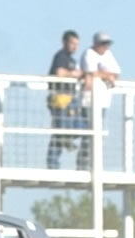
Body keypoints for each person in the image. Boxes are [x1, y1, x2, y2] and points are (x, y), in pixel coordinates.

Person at [79, 31, 121, 169]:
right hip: (88, 101)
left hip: (103, 101)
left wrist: (105, 75)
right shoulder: (89, 54)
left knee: (98, 133)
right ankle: (83, 165)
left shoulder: (108, 55)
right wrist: (107, 76)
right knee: (89, 133)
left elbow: (116, 72)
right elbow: (90, 72)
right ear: (96, 43)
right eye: (103, 43)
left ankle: (92, 163)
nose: (105, 46)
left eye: (107, 44)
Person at [45, 29, 83, 168]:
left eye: (77, 44)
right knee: (60, 132)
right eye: (72, 43)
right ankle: (53, 163)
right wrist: (74, 74)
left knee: (79, 127)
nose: (75, 47)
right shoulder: (61, 56)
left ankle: (65, 140)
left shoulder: (72, 60)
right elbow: (59, 72)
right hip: (60, 99)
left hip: (70, 99)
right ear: (64, 42)